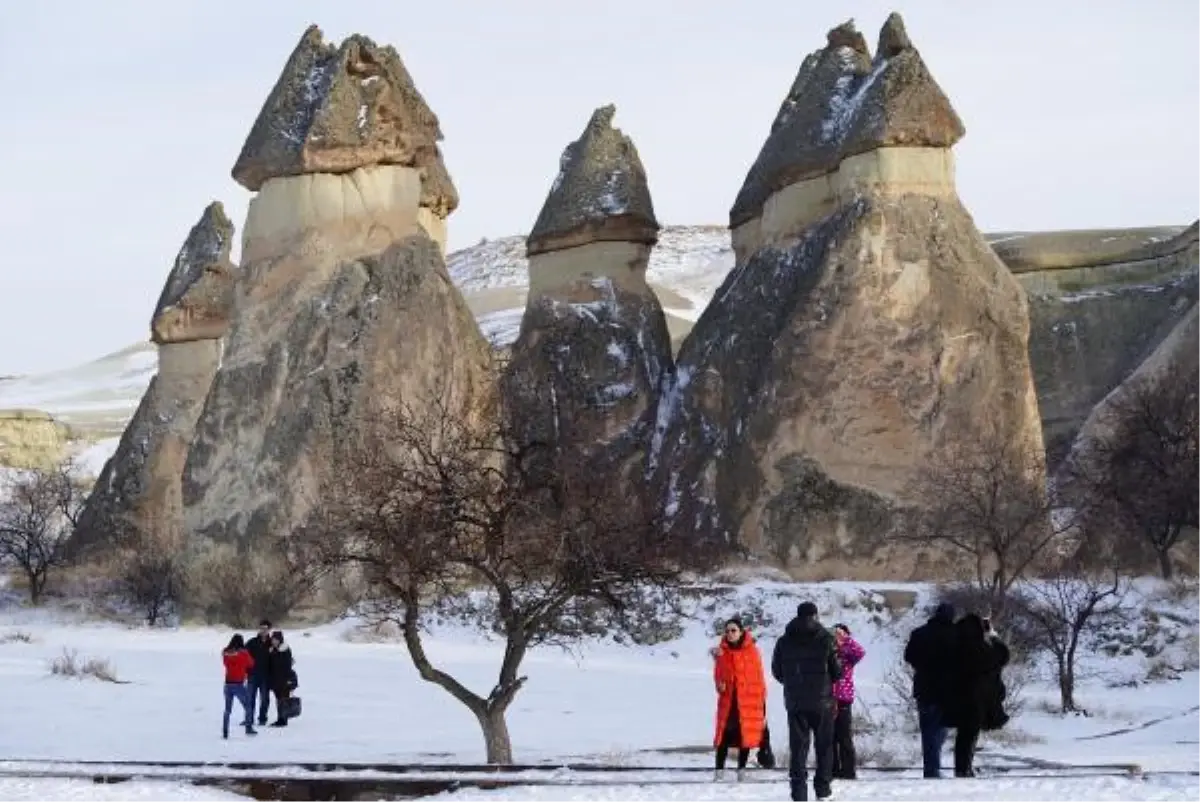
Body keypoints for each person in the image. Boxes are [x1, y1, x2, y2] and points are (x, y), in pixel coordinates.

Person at [771, 602, 842, 802]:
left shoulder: (784, 641)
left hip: (795, 702)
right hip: (823, 702)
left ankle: (799, 795)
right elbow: (837, 672)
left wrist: (793, 684)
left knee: (798, 749)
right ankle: (823, 791)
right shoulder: (826, 639)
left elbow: (777, 672)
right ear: (815, 615)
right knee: (824, 747)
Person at [946, 613, 1010, 778]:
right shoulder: (981, 648)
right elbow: (1003, 656)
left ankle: (961, 768)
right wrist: (993, 636)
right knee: (970, 735)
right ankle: (964, 769)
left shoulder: (954, 648)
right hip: (977, 700)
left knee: (963, 736)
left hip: (957, 698)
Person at [903, 602, 959, 778]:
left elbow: (908, 656)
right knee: (941, 730)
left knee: (928, 730)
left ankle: (931, 768)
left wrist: (921, 665)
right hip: (948, 691)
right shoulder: (957, 635)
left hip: (924, 688)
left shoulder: (919, 633)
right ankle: (934, 766)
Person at [711, 617, 768, 781]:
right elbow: (718, 675)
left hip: (748, 700)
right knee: (723, 735)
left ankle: (741, 769)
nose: (730, 634)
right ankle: (719, 770)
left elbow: (758, 677)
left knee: (745, 735)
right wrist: (718, 683)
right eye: (727, 631)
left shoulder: (752, 651)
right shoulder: (722, 652)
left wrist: (761, 700)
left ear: (741, 632)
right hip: (729, 700)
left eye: (733, 630)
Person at [831, 623, 866, 781]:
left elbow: (860, 652)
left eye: (841, 633)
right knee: (829, 737)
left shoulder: (847, 654)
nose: (838, 636)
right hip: (827, 698)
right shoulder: (829, 652)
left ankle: (848, 771)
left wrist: (846, 640)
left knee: (844, 737)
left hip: (844, 698)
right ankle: (833, 770)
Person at [221, 634, 257, 739]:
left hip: (227, 684)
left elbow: (225, 664)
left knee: (227, 709)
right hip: (238, 684)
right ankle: (248, 728)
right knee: (248, 706)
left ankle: (225, 730)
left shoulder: (226, 653)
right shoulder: (244, 653)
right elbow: (251, 664)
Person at [246, 619, 274, 726]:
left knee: (265, 700)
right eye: (262, 628)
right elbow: (243, 656)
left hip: (265, 677)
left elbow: (280, 656)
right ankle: (249, 719)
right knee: (250, 699)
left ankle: (262, 718)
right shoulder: (252, 642)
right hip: (252, 675)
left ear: (269, 630)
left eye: (266, 629)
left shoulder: (272, 643)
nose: (263, 630)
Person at [267, 630, 296, 728]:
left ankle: (283, 720)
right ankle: (280, 718)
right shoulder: (272, 650)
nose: (274, 641)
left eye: (275, 640)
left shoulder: (285, 650)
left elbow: (286, 665)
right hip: (275, 679)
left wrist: (289, 681)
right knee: (278, 700)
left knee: (284, 700)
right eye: (273, 639)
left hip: (284, 680)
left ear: (280, 640)